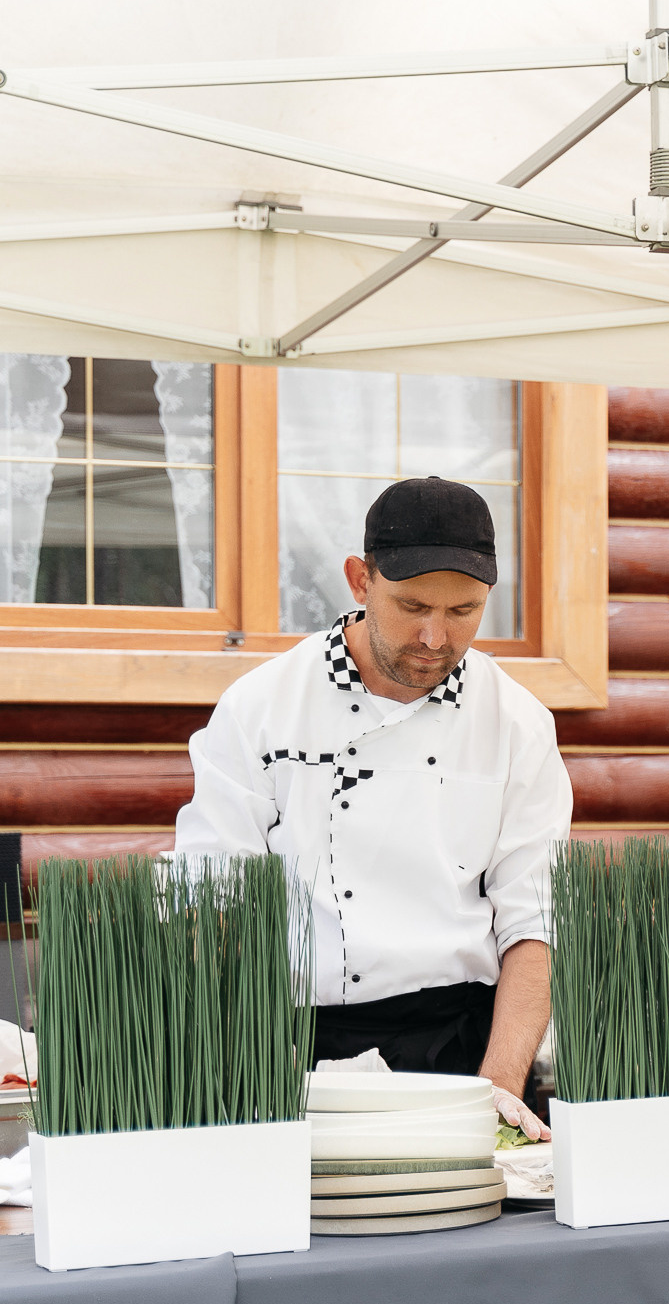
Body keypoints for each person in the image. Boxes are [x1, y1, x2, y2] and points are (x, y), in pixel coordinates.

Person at [175, 477, 572, 1140]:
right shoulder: (261, 707)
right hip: (292, 1043)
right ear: (361, 580)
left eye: (464, 611)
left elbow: (535, 921)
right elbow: (214, 896)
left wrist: (500, 1084)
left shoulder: (518, 724)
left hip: (459, 1045)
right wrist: (239, 1060)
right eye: (412, 605)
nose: (435, 637)